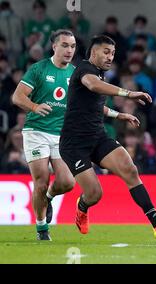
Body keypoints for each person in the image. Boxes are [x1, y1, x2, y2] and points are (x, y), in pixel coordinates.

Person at [59, 35, 156, 240]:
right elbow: (94, 86)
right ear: (93, 51)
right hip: (74, 144)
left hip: (97, 137)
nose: (110, 57)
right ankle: (82, 207)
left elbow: (94, 105)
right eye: (106, 52)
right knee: (95, 194)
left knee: (130, 170)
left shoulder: (98, 73)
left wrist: (119, 114)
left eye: (113, 53)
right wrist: (129, 93)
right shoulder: (85, 70)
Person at [11, 30, 77, 241]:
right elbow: (17, 96)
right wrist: (34, 106)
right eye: (65, 45)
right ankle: (42, 229)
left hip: (61, 134)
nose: (69, 50)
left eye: (73, 46)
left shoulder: (75, 73)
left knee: (68, 182)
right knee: (41, 181)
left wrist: (115, 113)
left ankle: (48, 198)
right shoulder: (39, 69)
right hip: (36, 131)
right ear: (54, 47)